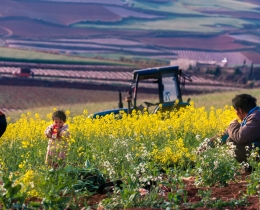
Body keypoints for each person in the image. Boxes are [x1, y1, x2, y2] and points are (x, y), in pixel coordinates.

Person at [209, 94, 260, 170]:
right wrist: (207, 144)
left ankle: (252, 169)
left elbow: (240, 137)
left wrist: (233, 125)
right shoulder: (252, 115)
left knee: (231, 141)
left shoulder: (255, 117)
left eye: (235, 110)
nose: (235, 113)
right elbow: (227, 134)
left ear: (240, 110)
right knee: (230, 137)